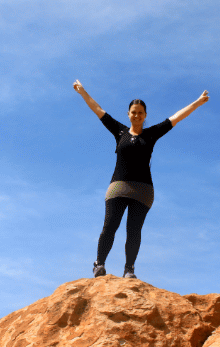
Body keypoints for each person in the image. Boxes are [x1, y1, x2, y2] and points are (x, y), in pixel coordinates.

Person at [73, 80, 209, 279]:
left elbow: (177, 117)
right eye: (133, 112)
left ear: (145, 116)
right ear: (128, 114)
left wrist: (197, 102)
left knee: (133, 231)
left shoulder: (151, 134)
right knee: (109, 226)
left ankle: (129, 269)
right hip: (118, 186)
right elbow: (98, 109)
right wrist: (83, 92)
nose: (137, 115)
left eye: (140, 112)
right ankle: (99, 264)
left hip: (143, 190)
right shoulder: (119, 131)